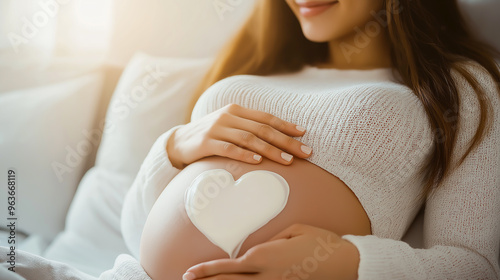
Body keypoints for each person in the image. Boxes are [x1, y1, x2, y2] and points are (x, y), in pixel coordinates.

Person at [120, 0, 500, 279]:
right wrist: (172, 148)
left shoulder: (459, 86)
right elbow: (136, 231)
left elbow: (473, 265)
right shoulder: (251, 67)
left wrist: (345, 261)